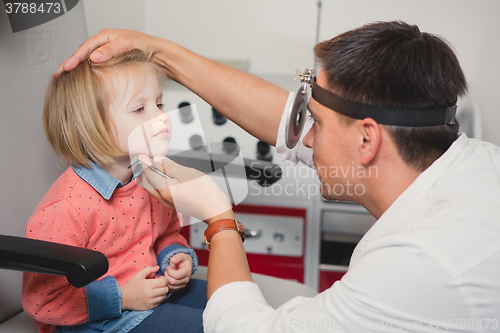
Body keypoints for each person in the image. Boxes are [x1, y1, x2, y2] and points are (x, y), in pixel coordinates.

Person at [55, 21, 500, 332]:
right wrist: (156, 51)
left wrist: (218, 217)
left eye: (318, 125)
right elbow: (290, 124)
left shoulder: (419, 264)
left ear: (367, 140)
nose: (303, 140)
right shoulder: (476, 163)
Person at [23, 49, 206, 333]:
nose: (161, 117)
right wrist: (122, 298)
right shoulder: (65, 209)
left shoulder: (148, 179)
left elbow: (166, 233)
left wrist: (173, 257)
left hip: (153, 293)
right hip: (103, 322)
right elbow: (42, 300)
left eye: (159, 103)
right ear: (91, 124)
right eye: (140, 109)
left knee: (231, 305)